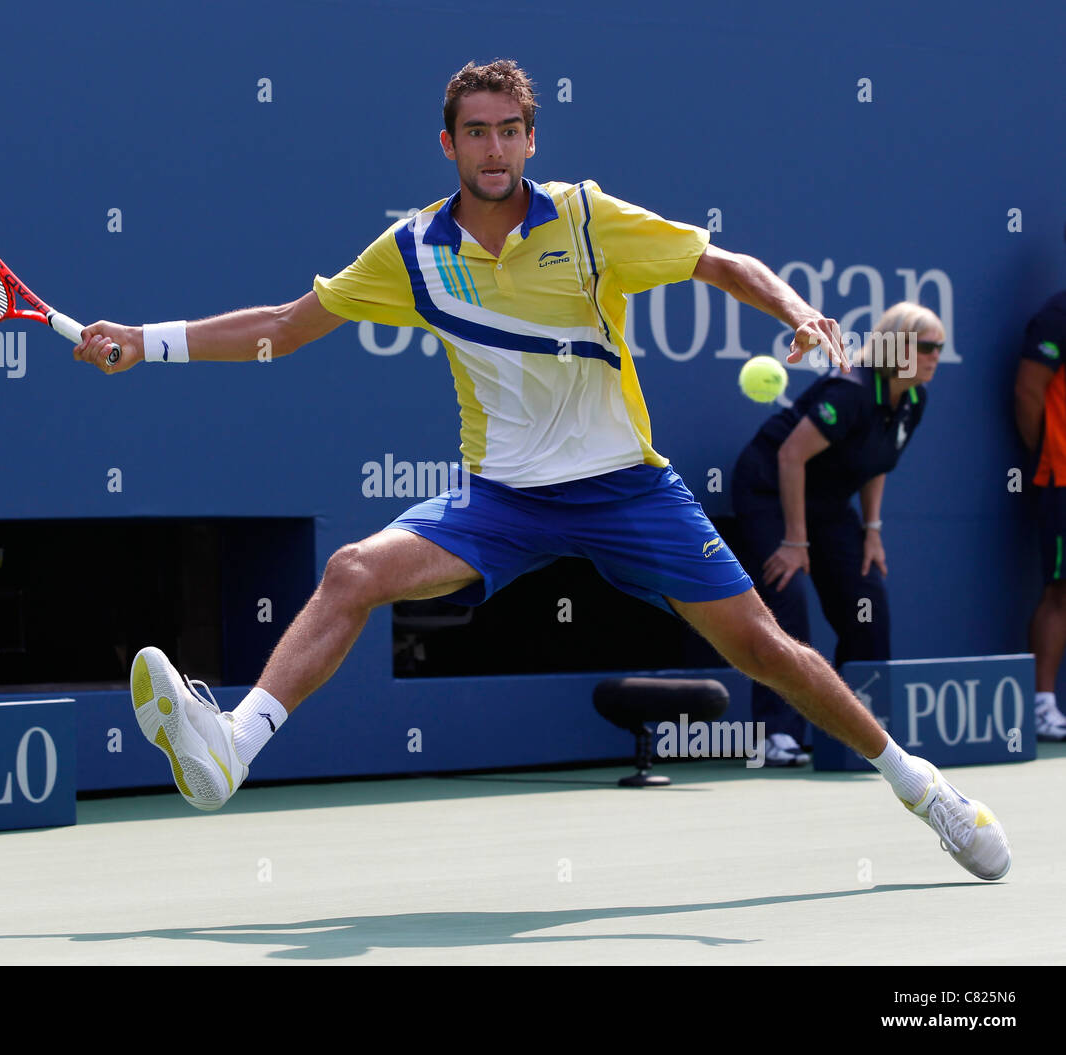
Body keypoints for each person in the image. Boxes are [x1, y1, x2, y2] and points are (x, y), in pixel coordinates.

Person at [75, 60, 1009, 880]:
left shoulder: (589, 220)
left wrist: (796, 310)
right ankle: (231, 746)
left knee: (766, 648)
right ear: (447, 144)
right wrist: (146, 343)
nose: (494, 148)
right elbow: (282, 327)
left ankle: (920, 787)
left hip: (628, 490)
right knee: (353, 570)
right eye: (475, 132)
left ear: (530, 137)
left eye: (510, 130)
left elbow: (719, 263)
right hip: (503, 501)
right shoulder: (412, 253)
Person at [731, 303, 944, 765]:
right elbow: (790, 456)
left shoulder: (913, 400)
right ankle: (775, 735)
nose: (935, 356)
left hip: (828, 505)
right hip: (770, 488)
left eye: (940, 348)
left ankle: (863, 731)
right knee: (786, 595)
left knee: (867, 602)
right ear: (897, 347)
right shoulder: (850, 390)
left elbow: (876, 463)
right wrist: (794, 541)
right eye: (926, 347)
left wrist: (872, 531)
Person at [1015, 285, 1066, 740]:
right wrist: (1047, 460)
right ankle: (1042, 705)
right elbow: (1029, 392)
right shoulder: (1058, 313)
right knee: (1060, 592)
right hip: (1061, 476)